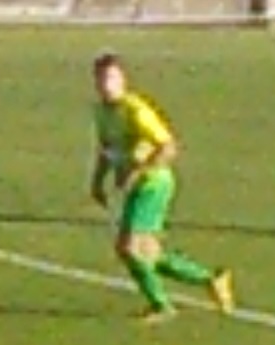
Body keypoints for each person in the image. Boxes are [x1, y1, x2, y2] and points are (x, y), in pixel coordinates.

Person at [89, 52, 236, 324]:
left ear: (122, 79)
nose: (105, 84)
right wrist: (97, 181)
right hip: (138, 185)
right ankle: (212, 279)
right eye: (100, 78)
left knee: (130, 249)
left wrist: (140, 172)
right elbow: (105, 149)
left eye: (110, 77)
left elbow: (168, 147)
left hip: (154, 185)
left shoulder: (136, 110)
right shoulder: (101, 112)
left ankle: (162, 306)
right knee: (148, 253)